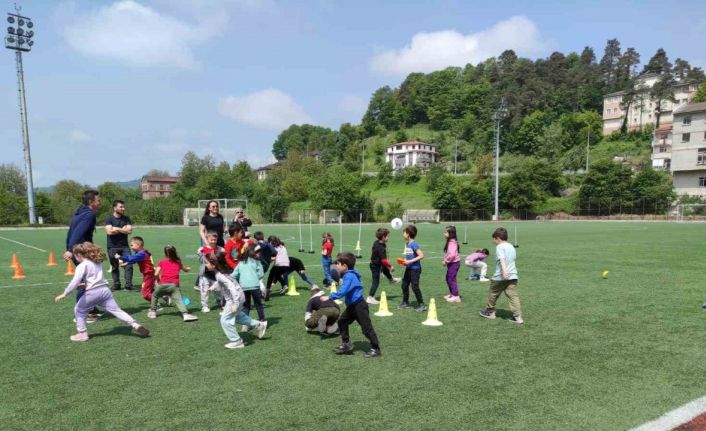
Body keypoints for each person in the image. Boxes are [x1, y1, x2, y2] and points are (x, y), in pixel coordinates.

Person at [54, 242, 149, 342]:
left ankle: (82, 334)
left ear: (79, 255)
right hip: (105, 291)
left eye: (75, 256)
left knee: (79, 310)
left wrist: (65, 293)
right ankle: (135, 324)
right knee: (117, 310)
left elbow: (75, 281)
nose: (74, 258)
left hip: (92, 293)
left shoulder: (81, 266)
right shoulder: (97, 262)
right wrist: (84, 285)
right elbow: (95, 279)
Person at [320, 252, 381, 358]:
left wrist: (329, 297)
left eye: (338, 264)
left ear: (344, 266)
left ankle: (376, 348)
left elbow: (343, 291)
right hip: (352, 306)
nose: (336, 266)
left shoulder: (349, 276)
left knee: (366, 328)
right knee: (342, 321)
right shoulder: (348, 274)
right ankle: (346, 344)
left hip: (359, 306)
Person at [206, 250, 267, 349]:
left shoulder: (220, 275)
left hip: (235, 299)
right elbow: (224, 281)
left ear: (214, 265)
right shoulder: (221, 272)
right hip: (240, 296)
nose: (205, 264)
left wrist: (235, 303)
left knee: (225, 320)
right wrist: (213, 287)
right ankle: (260, 325)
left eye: (206, 262)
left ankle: (236, 341)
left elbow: (231, 286)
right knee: (239, 317)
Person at [64, 189, 101, 321]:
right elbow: (78, 233)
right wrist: (70, 249)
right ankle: (81, 313)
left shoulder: (79, 212)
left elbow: (70, 232)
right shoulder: (89, 214)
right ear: (91, 201)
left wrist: (69, 247)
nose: (100, 202)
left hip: (78, 250)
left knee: (88, 279)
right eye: (98, 200)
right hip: (81, 252)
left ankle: (91, 308)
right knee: (85, 281)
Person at [479, 227, 523, 324]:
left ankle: (490, 312)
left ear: (497, 238)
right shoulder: (511, 246)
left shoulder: (499, 247)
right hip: (513, 276)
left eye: (493, 239)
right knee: (513, 296)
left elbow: (502, 259)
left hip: (501, 276)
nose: (493, 241)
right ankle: (518, 317)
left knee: (493, 293)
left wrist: (504, 271)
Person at [149, 245, 199, 322]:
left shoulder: (161, 262)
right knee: (179, 300)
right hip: (174, 286)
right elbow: (185, 269)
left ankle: (153, 312)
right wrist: (188, 268)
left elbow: (156, 274)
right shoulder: (178, 262)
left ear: (165, 253)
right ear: (175, 252)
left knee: (155, 295)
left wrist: (158, 279)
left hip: (162, 284)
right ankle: (185, 315)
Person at [116, 236, 156, 303]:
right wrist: (126, 263)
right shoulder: (140, 252)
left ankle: (156, 304)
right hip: (148, 274)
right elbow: (134, 260)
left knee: (145, 293)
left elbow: (132, 258)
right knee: (150, 289)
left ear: (138, 245)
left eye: (132, 245)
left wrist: (121, 257)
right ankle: (164, 296)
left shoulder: (141, 254)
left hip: (149, 274)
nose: (131, 247)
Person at [232, 244, 266, 323]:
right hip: (255, 286)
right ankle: (262, 320)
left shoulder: (241, 262)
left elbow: (234, 274)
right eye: (258, 253)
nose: (259, 254)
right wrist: (254, 278)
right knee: (258, 305)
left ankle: (245, 322)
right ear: (253, 252)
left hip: (244, 287)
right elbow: (261, 274)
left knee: (246, 306)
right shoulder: (257, 262)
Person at [105, 199, 134, 291]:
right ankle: (116, 284)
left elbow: (129, 231)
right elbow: (109, 232)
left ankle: (128, 284)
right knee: (114, 266)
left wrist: (117, 228)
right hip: (112, 246)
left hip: (125, 246)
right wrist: (122, 229)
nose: (123, 208)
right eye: (121, 207)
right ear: (115, 208)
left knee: (129, 264)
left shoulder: (126, 218)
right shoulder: (109, 218)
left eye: (123, 206)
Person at [367, 227, 400, 305]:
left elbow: (372, 250)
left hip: (376, 263)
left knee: (385, 270)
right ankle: (370, 298)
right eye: (387, 236)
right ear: (383, 237)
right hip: (375, 266)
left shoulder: (376, 242)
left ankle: (391, 279)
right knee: (376, 281)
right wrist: (391, 266)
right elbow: (384, 260)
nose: (388, 237)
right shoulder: (381, 247)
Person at [398, 225, 426, 312]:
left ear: (408, 234)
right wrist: (405, 261)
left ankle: (421, 304)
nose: (403, 234)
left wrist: (410, 262)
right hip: (409, 268)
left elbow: (421, 255)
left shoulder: (414, 244)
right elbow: (410, 256)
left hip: (415, 269)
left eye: (404, 232)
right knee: (404, 285)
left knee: (414, 286)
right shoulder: (407, 244)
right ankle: (405, 302)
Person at [196, 231, 224, 313]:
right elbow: (200, 260)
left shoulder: (220, 249)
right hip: (205, 274)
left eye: (215, 240)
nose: (213, 241)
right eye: (211, 240)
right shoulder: (202, 249)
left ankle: (220, 301)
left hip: (216, 274)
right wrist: (200, 254)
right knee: (204, 291)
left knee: (218, 290)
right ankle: (204, 306)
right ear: (207, 239)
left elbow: (222, 259)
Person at [442, 225, 462, 303]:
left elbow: (452, 255)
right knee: (448, 278)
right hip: (452, 263)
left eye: (445, 232)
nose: (444, 233)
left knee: (451, 279)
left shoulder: (452, 242)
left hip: (454, 264)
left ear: (451, 233)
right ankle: (452, 294)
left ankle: (456, 296)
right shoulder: (451, 241)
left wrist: (446, 261)